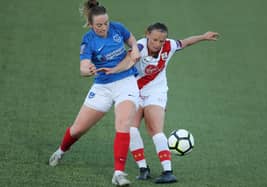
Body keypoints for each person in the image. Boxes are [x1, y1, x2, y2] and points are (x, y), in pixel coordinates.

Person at [100, 22, 219, 183]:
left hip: (156, 91)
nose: (158, 44)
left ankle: (168, 171)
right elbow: (128, 60)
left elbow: (185, 42)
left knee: (155, 128)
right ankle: (143, 168)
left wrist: (203, 37)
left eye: (161, 41)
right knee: (131, 129)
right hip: (135, 89)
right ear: (147, 35)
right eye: (155, 40)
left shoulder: (169, 46)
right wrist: (114, 70)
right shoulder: (140, 47)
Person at [48, 0, 140, 186]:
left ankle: (119, 174)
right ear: (90, 25)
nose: (104, 27)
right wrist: (87, 69)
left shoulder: (117, 28)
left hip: (126, 82)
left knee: (123, 123)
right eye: (99, 25)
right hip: (102, 87)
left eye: (105, 23)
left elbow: (130, 39)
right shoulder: (88, 40)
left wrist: (135, 48)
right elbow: (83, 66)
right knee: (78, 129)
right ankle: (60, 151)